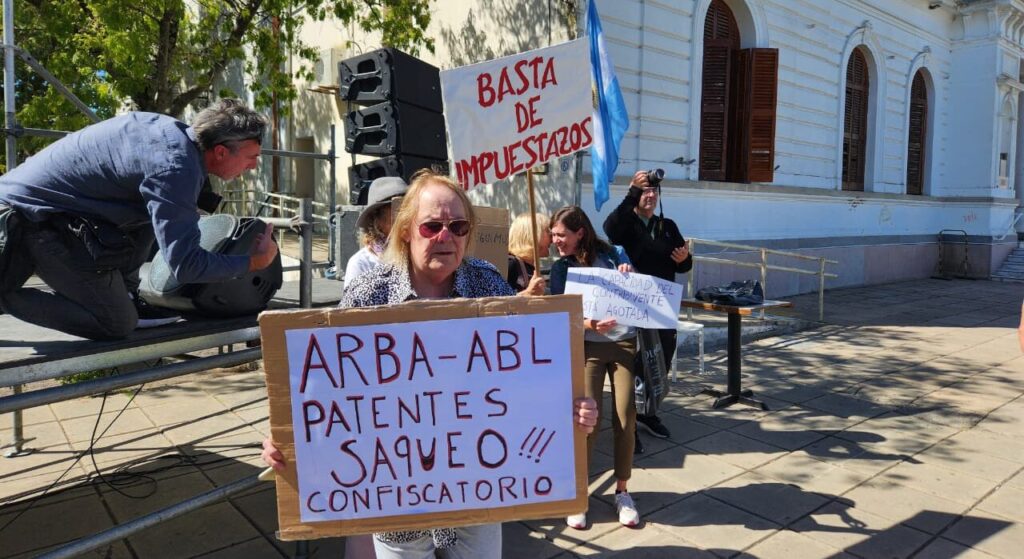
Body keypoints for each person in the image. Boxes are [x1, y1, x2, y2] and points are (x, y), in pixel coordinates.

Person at [261, 169, 599, 559]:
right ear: (405, 230)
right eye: (432, 226)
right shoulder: (370, 293)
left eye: (458, 226)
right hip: (397, 501)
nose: (446, 237)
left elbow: (525, 373)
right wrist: (290, 437)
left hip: (481, 494)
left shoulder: (487, 281)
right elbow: (327, 390)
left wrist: (569, 410)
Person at [0, 99, 279, 340]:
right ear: (220, 151)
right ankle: (6, 296)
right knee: (117, 322)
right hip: (28, 220)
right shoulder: (175, 168)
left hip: (51, 212)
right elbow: (186, 265)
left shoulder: (173, 136)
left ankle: (129, 294)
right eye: (252, 157)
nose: (253, 165)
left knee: (152, 215)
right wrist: (253, 262)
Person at [548, 205, 641, 530]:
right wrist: (589, 323)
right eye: (553, 235)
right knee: (586, 422)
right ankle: (580, 495)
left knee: (626, 417)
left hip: (623, 345)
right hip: (587, 347)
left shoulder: (615, 254)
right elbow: (558, 311)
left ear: (580, 233)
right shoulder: (561, 268)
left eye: (560, 235)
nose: (555, 241)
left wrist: (630, 272)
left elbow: (637, 292)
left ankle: (623, 491)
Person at [603, 170, 693, 451]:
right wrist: (632, 189)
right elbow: (610, 229)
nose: (651, 195)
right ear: (635, 195)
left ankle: (649, 413)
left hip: (662, 307)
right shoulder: (627, 224)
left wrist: (685, 259)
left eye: (654, 191)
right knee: (634, 365)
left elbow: (683, 265)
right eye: (645, 191)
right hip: (633, 305)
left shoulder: (667, 226)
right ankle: (629, 426)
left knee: (659, 362)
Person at [344, 176, 408, 286]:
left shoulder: (420, 253)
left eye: (409, 210)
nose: (406, 218)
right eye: (397, 212)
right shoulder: (362, 263)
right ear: (378, 222)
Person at [506, 212, 550, 296]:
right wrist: (528, 292)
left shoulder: (530, 266)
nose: (553, 237)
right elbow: (498, 302)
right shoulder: (510, 264)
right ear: (533, 235)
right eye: (547, 231)